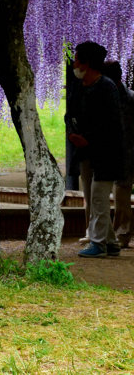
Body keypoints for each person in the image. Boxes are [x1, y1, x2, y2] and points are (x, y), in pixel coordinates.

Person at [68, 41, 125, 258]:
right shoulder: (77, 86)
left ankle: (98, 243)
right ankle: (110, 243)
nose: (74, 63)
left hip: (106, 153)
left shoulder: (106, 86)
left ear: (87, 62)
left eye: (77, 59)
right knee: (92, 197)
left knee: (100, 198)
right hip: (85, 153)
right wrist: (71, 133)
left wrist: (87, 138)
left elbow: (111, 123)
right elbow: (69, 114)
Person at [103, 61, 134, 247]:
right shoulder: (108, 95)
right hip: (117, 154)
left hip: (128, 154)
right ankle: (118, 233)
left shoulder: (129, 98)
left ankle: (122, 234)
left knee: (121, 196)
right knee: (118, 196)